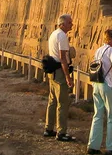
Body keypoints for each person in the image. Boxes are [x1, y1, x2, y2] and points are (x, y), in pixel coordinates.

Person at [43, 13, 75, 142]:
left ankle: (49, 128)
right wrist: (68, 77)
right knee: (63, 102)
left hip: (53, 72)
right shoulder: (62, 36)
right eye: (69, 23)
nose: (71, 25)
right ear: (62, 24)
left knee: (52, 101)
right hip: (59, 72)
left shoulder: (54, 34)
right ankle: (61, 132)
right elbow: (62, 58)